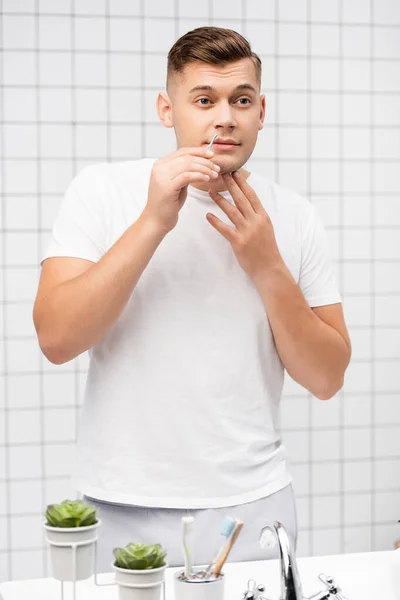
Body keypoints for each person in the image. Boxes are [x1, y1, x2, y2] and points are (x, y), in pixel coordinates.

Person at [33, 27, 351, 571]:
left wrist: (268, 266)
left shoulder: (296, 216)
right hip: (118, 503)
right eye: (204, 100)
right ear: (167, 109)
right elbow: (58, 340)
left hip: (252, 506)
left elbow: (327, 378)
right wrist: (154, 221)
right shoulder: (102, 191)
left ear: (261, 110)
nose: (224, 117)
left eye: (241, 100)